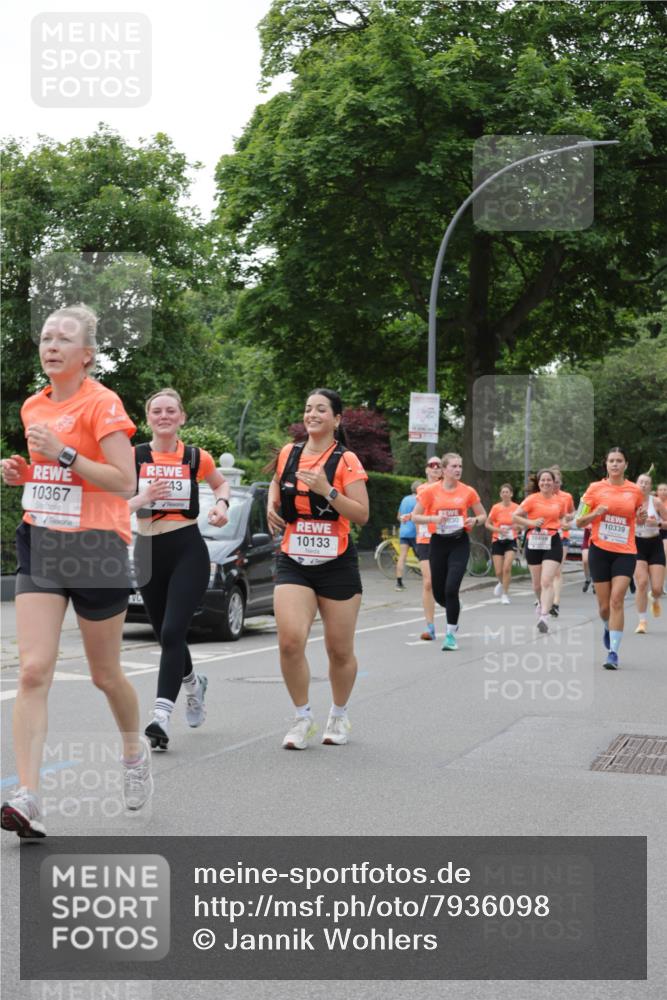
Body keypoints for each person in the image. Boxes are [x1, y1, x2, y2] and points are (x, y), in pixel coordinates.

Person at [1, 305, 153, 838]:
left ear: (86, 355)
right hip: (42, 540)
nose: (52, 345)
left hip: (96, 549)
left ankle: (133, 754)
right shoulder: (33, 406)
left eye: (64, 339)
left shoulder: (102, 403)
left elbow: (123, 481)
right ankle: (28, 797)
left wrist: (63, 452)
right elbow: (56, 480)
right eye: (46, 337)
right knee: (32, 670)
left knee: (104, 675)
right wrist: (25, 475)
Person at [128, 389, 230, 750]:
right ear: (148, 418)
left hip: (187, 549)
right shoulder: (134, 456)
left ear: (182, 417)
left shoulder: (195, 457)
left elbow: (220, 483)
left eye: (171, 410)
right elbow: (114, 504)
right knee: (165, 635)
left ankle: (160, 716)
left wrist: (221, 505)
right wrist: (142, 499)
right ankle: (193, 685)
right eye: (157, 411)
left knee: (173, 632)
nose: (164, 416)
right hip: (147, 551)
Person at [266, 389, 369, 749]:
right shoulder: (289, 453)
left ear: (336, 419)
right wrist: (270, 504)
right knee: (290, 641)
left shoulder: (346, 460)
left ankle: (338, 714)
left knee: (339, 650)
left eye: (321, 409)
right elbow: (277, 481)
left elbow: (362, 514)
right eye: (308, 408)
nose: (312, 414)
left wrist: (328, 491)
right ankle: (302, 717)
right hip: (293, 558)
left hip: (336, 562)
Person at [576, 447, 646, 669]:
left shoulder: (635, 491)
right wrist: (595, 513)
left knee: (617, 600)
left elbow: (639, 518)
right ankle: (607, 626)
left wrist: (642, 516)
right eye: (611, 461)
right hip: (600, 551)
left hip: (625, 551)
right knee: (604, 607)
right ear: (606, 465)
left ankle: (613, 653)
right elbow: (578, 521)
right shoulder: (594, 489)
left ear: (626, 464)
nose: (615, 464)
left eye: (619, 461)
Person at [411, 453, 486, 651]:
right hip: (438, 542)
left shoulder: (468, 491)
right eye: (454, 466)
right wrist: (432, 519)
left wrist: (475, 520)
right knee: (438, 593)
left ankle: (450, 634)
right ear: (444, 470)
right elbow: (415, 516)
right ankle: (454, 608)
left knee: (452, 588)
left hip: (459, 542)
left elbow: (483, 515)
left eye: (460, 466)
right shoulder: (430, 491)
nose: (458, 469)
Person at [512, 470, 571, 634]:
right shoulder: (531, 499)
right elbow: (515, 516)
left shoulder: (560, 500)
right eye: (542, 480)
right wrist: (531, 522)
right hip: (534, 542)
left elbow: (563, 517)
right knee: (537, 585)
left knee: (547, 581)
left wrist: (564, 523)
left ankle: (544, 616)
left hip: (553, 541)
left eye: (548, 480)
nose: (545, 483)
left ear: (553, 482)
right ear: (538, 483)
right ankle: (540, 602)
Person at [414, 457, 444, 640]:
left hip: (443, 538)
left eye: (439, 466)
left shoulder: (447, 489)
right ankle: (430, 627)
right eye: (432, 465)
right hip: (424, 539)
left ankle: (451, 600)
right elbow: (419, 512)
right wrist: (410, 517)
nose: (435, 468)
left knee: (444, 581)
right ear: (426, 470)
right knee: (428, 582)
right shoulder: (421, 489)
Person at [632, 473, 665, 634]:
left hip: (655, 544)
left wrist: (657, 523)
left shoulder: (656, 502)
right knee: (642, 582)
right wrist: (635, 521)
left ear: (651, 487)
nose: (643, 485)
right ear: (636, 484)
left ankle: (655, 597)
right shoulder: (630, 501)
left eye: (647, 483)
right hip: (637, 544)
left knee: (657, 588)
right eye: (641, 482)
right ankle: (642, 621)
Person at [486, 483, 519, 604]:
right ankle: (501, 582)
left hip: (511, 540)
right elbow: (487, 524)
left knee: (507, 568)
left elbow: (523, 524)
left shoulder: (516, 508)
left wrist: (516, 527)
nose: (505, 494)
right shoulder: (496, 508)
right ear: (500, 495)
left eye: (507, 492)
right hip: (497, 539)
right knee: (498, 571)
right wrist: (498, 530)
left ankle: (505, 594)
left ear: (511, 494)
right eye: (503, 492)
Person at [550, 466, 575, 616]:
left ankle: (555, 603)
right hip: (545, 537)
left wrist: (570, 517)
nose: (555, 485)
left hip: (562, 535)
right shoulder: (541, 497)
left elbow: (573, 511)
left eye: (558, 482)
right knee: (545, 571)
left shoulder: (567, 497)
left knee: (557, 571)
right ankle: (544, 596)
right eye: (553, 482)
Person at [394, 480, 421, 591]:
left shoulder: (404, 499)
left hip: (404, 532)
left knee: (402, 557)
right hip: (415, 532)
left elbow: (399, 516)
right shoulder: (419, 500)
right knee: (423, 557)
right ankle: (431, 581)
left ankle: (399, 583)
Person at [581, 527, 594, 593]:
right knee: (585, 560)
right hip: (587, 540)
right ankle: (588, 579)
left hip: (597, 541)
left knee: (596, 562)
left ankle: (595, 582)